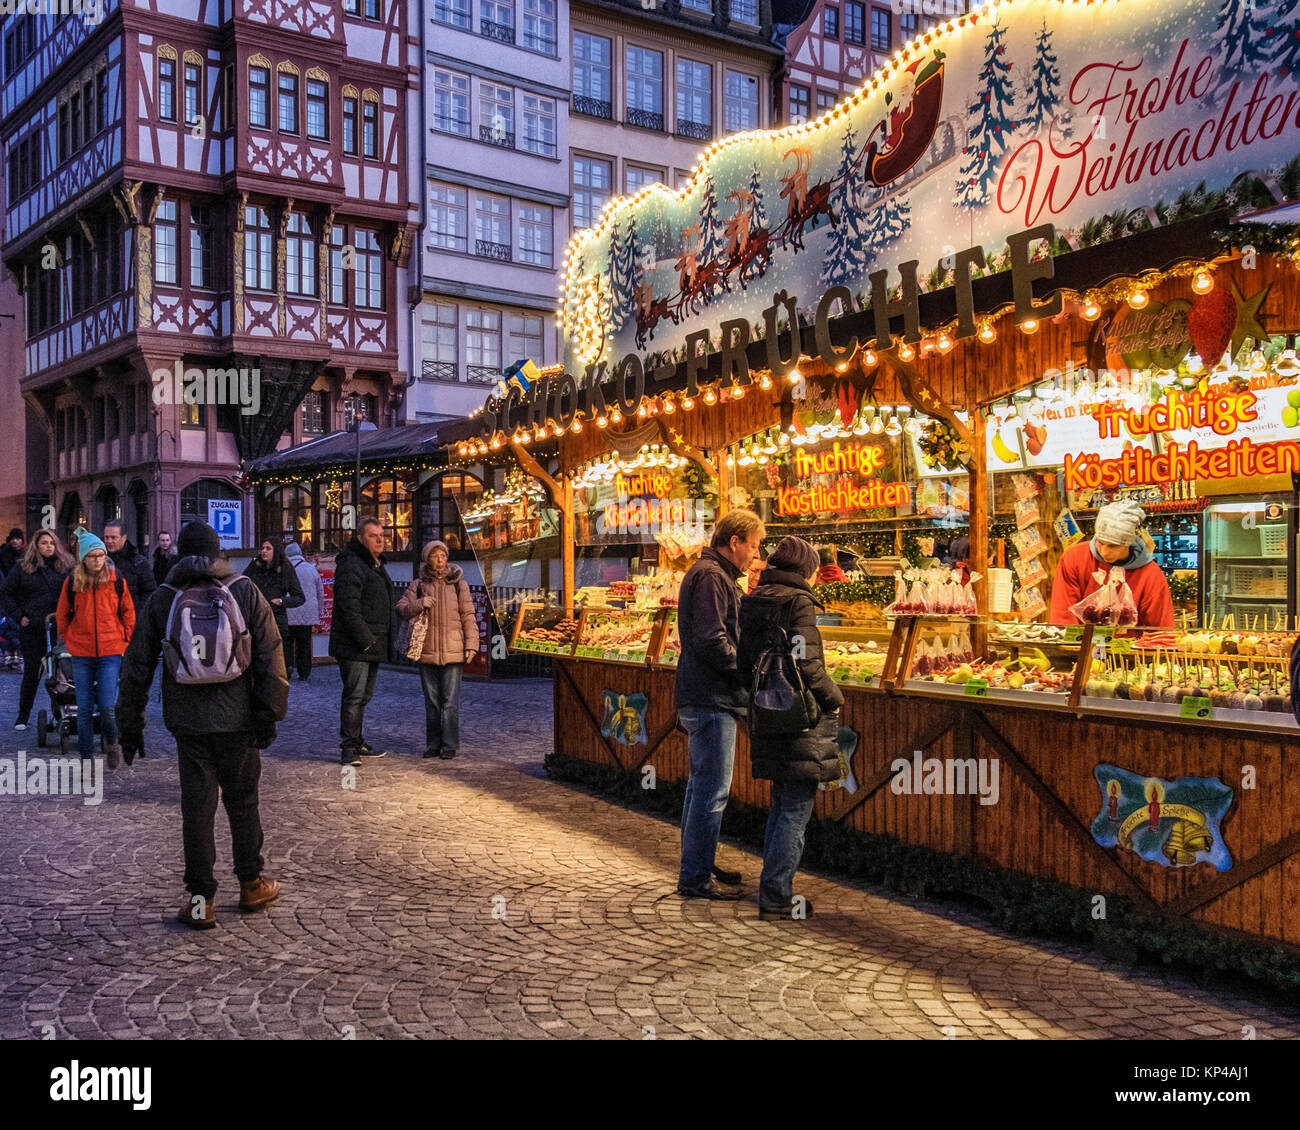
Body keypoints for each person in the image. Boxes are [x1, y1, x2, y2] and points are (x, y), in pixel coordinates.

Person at [117, 521, 289, 930]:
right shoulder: (244, 590)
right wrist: (269, 714)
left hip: (188, 723)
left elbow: (136, 664)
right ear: (217, 552)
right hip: (239, 719)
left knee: (197, 809)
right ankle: (250, 884)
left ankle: (200, 902)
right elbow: (270, 654)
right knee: (243, 803)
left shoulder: (164, 596)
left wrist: (130, 723)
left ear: (179, 552)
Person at [738, 536, 844, 922]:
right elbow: (808, 664)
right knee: (795, 811)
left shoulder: (753, 600)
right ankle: (777, 897)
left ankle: (772, 886)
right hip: (801, 717)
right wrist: (834, 697)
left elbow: (743, 663)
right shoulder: (798, 602)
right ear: (805, 568)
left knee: (781, 806)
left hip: (768, 714)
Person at [675, 508, 765, 900]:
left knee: (701, 788)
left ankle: (699, 863)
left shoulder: (711, 573)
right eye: (754, 546)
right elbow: (714, 639)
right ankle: (694, 876)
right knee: (711, 790)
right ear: (735, 542)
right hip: (711, 696)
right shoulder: (712, 577)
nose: (755, 555)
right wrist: (745, 670)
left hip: (702, 694)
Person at [55, 531, 135, 768]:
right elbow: (63, 615)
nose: (98, 560)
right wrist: (70, 639)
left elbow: (128, 612)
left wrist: (124, 638)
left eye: (101, 555)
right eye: (93, 556)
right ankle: (86, 760)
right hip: (81, 654)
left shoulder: (116, 580)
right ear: (84, 558)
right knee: (84, 710)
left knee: (107, 708)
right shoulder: (72, 583)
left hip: (111, 652)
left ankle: (112, 743)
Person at [396, 539, 478, 760]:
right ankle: (433, 743)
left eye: (443, 555)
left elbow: (468, 616)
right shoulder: (418, 585)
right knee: (432, 702)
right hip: (427, 652)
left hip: (453, 651)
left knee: (450, 702)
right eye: (435, 555)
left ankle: (449, 744)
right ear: (427, 559)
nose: (440, 560)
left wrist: (471, 645)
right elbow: (402, 608)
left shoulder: (458, 584)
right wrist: (420, 604)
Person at [329, 518, 395, 766]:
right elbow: (349, 606)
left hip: (373, 642)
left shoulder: (376, 564)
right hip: (356, 644)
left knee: (364, 696)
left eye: (382, 535)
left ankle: (357, 741)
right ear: (360, 538)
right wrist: (365, 640)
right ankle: (349, 747)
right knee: (354, 696)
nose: (380, 540)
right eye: (373, 536)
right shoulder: (351, 564)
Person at [1049, 500, 1174, 628]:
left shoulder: (1150, 574)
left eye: (1113, 546)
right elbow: (1062, 614)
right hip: (1081, 644)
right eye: (1100, 542)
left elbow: (1161, 627)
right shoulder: (1073, 558)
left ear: (1128, 543)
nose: (1104, 552)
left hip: (1130, 646)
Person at [0, 530, 73, 730]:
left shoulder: (66, 566)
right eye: (44, 543)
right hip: (33, 627)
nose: (48, 546)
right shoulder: (23, 568)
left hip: (60, 628)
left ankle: (61, 714)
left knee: (62, 672)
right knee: (32, 673)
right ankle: (23, 715)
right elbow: (6, 593)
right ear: (36, 546)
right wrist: (19, 616)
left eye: (51, 543)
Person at [243, 538, 305, 671]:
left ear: (276, 551)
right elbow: (243, 583)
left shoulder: (285, 568)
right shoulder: (255, 566)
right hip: (256, 619)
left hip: (276, 620)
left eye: (268, 548)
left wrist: (281, 601)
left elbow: (299, 597)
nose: (263, 551)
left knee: (275, 662)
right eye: (263, 548)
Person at [283, 541, 325, 682]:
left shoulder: (284, 569)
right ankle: (304, 672)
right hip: (308, 613)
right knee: (304, 644)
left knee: (287, 642)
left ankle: (287, 666)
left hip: (289, 612)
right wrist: (319, 612)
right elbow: (320, 592)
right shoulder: (311, 569)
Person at [103, 520, 156, 616]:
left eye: (113, 537)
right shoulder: (99, 560)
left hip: (131, 619)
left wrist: (137, 615)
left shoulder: (139, 563)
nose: (109, 541)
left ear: (124, 538)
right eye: (106, 537)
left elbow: (149, 592)